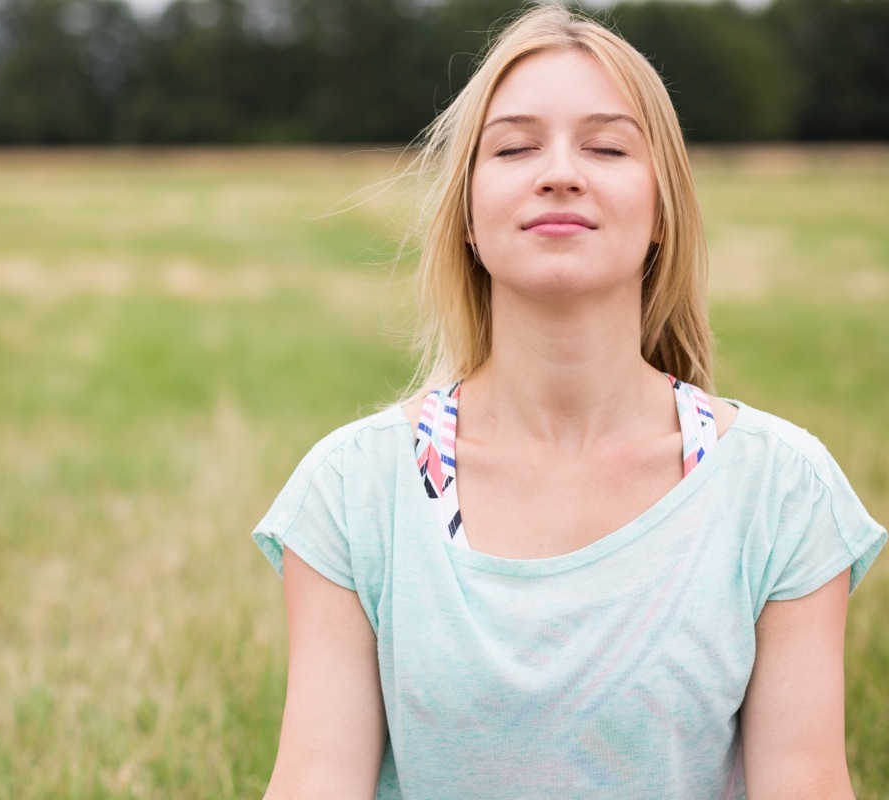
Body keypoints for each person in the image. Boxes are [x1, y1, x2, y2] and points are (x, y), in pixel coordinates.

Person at [251, 5, 886, 799]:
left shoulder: (782, 491)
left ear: (662, 211)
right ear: (469, 220)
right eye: (515, 147)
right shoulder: (351, 491)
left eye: (608, 146)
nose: (559, 172)